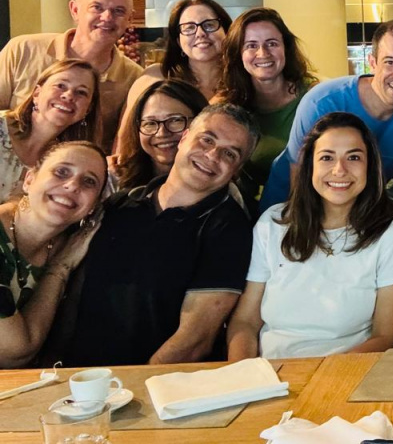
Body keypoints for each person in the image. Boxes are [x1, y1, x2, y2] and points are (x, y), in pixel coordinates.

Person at [63, 104, 259, 366]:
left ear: (236, 169)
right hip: (81, 378)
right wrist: (57, 363)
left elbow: (195, 341)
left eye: (229, 154)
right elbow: (77, 295)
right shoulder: (119, 204)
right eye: (207, 140)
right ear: (184, 137)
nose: (212, 156)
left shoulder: (230, 230)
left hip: (154, 383)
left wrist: (136, 385)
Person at [226, 113, 393, 359]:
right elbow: (245, 321)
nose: (340, 170)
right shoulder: (273, 223)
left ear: (370, 167)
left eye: (354, 157)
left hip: (349, 371)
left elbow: (386, 336)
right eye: (327, 157)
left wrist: (324, 375)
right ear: (310, 166)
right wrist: (245, 371)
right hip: (269, 371)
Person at [260, 18, 393, 224]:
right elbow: (299, 188)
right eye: (390, 62)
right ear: (373, 62)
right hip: (288, 209)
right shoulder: (322, 103)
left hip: (357, 215)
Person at [0, 0, 142, 151]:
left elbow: (122, 148)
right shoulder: (23, 50)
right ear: (75, 10)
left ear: (130, 19)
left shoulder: (135, 78)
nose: (107, 17)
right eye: (97, 7)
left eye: (118, 11)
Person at [0, 141, 106, 368]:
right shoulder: (68, 254)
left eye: (89, 181)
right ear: (29, 180)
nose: (72, 185)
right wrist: (60, 268)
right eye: (61, 172)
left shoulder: (73, 245)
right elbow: (14, 353)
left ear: (93, 206)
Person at [217, 8, 318, 208]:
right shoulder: (224, 107)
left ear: (286, 48)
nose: (263, 53)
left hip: (311, 208)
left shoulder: (315, 98)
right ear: (238, 53)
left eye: (272, 43)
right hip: (252, 212)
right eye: (251, 45)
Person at [117, 0, 232, 149]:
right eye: (189, 28)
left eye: (209, 25)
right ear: (178, 40)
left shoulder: (243, 82)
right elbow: (125, 143)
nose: (200, 33)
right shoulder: (156, 76)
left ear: (227, 32)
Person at [0, 61, 101, 202]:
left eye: (81, 92)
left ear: (88, 109)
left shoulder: (67, 163)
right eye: (60, 86)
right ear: (37, 93)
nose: (69, 96)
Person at [110, 79, 208, 192]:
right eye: (150, 123)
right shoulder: (115, 181)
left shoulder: (218, 183)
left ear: (201, 121)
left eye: (175, 120)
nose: (161, 133)